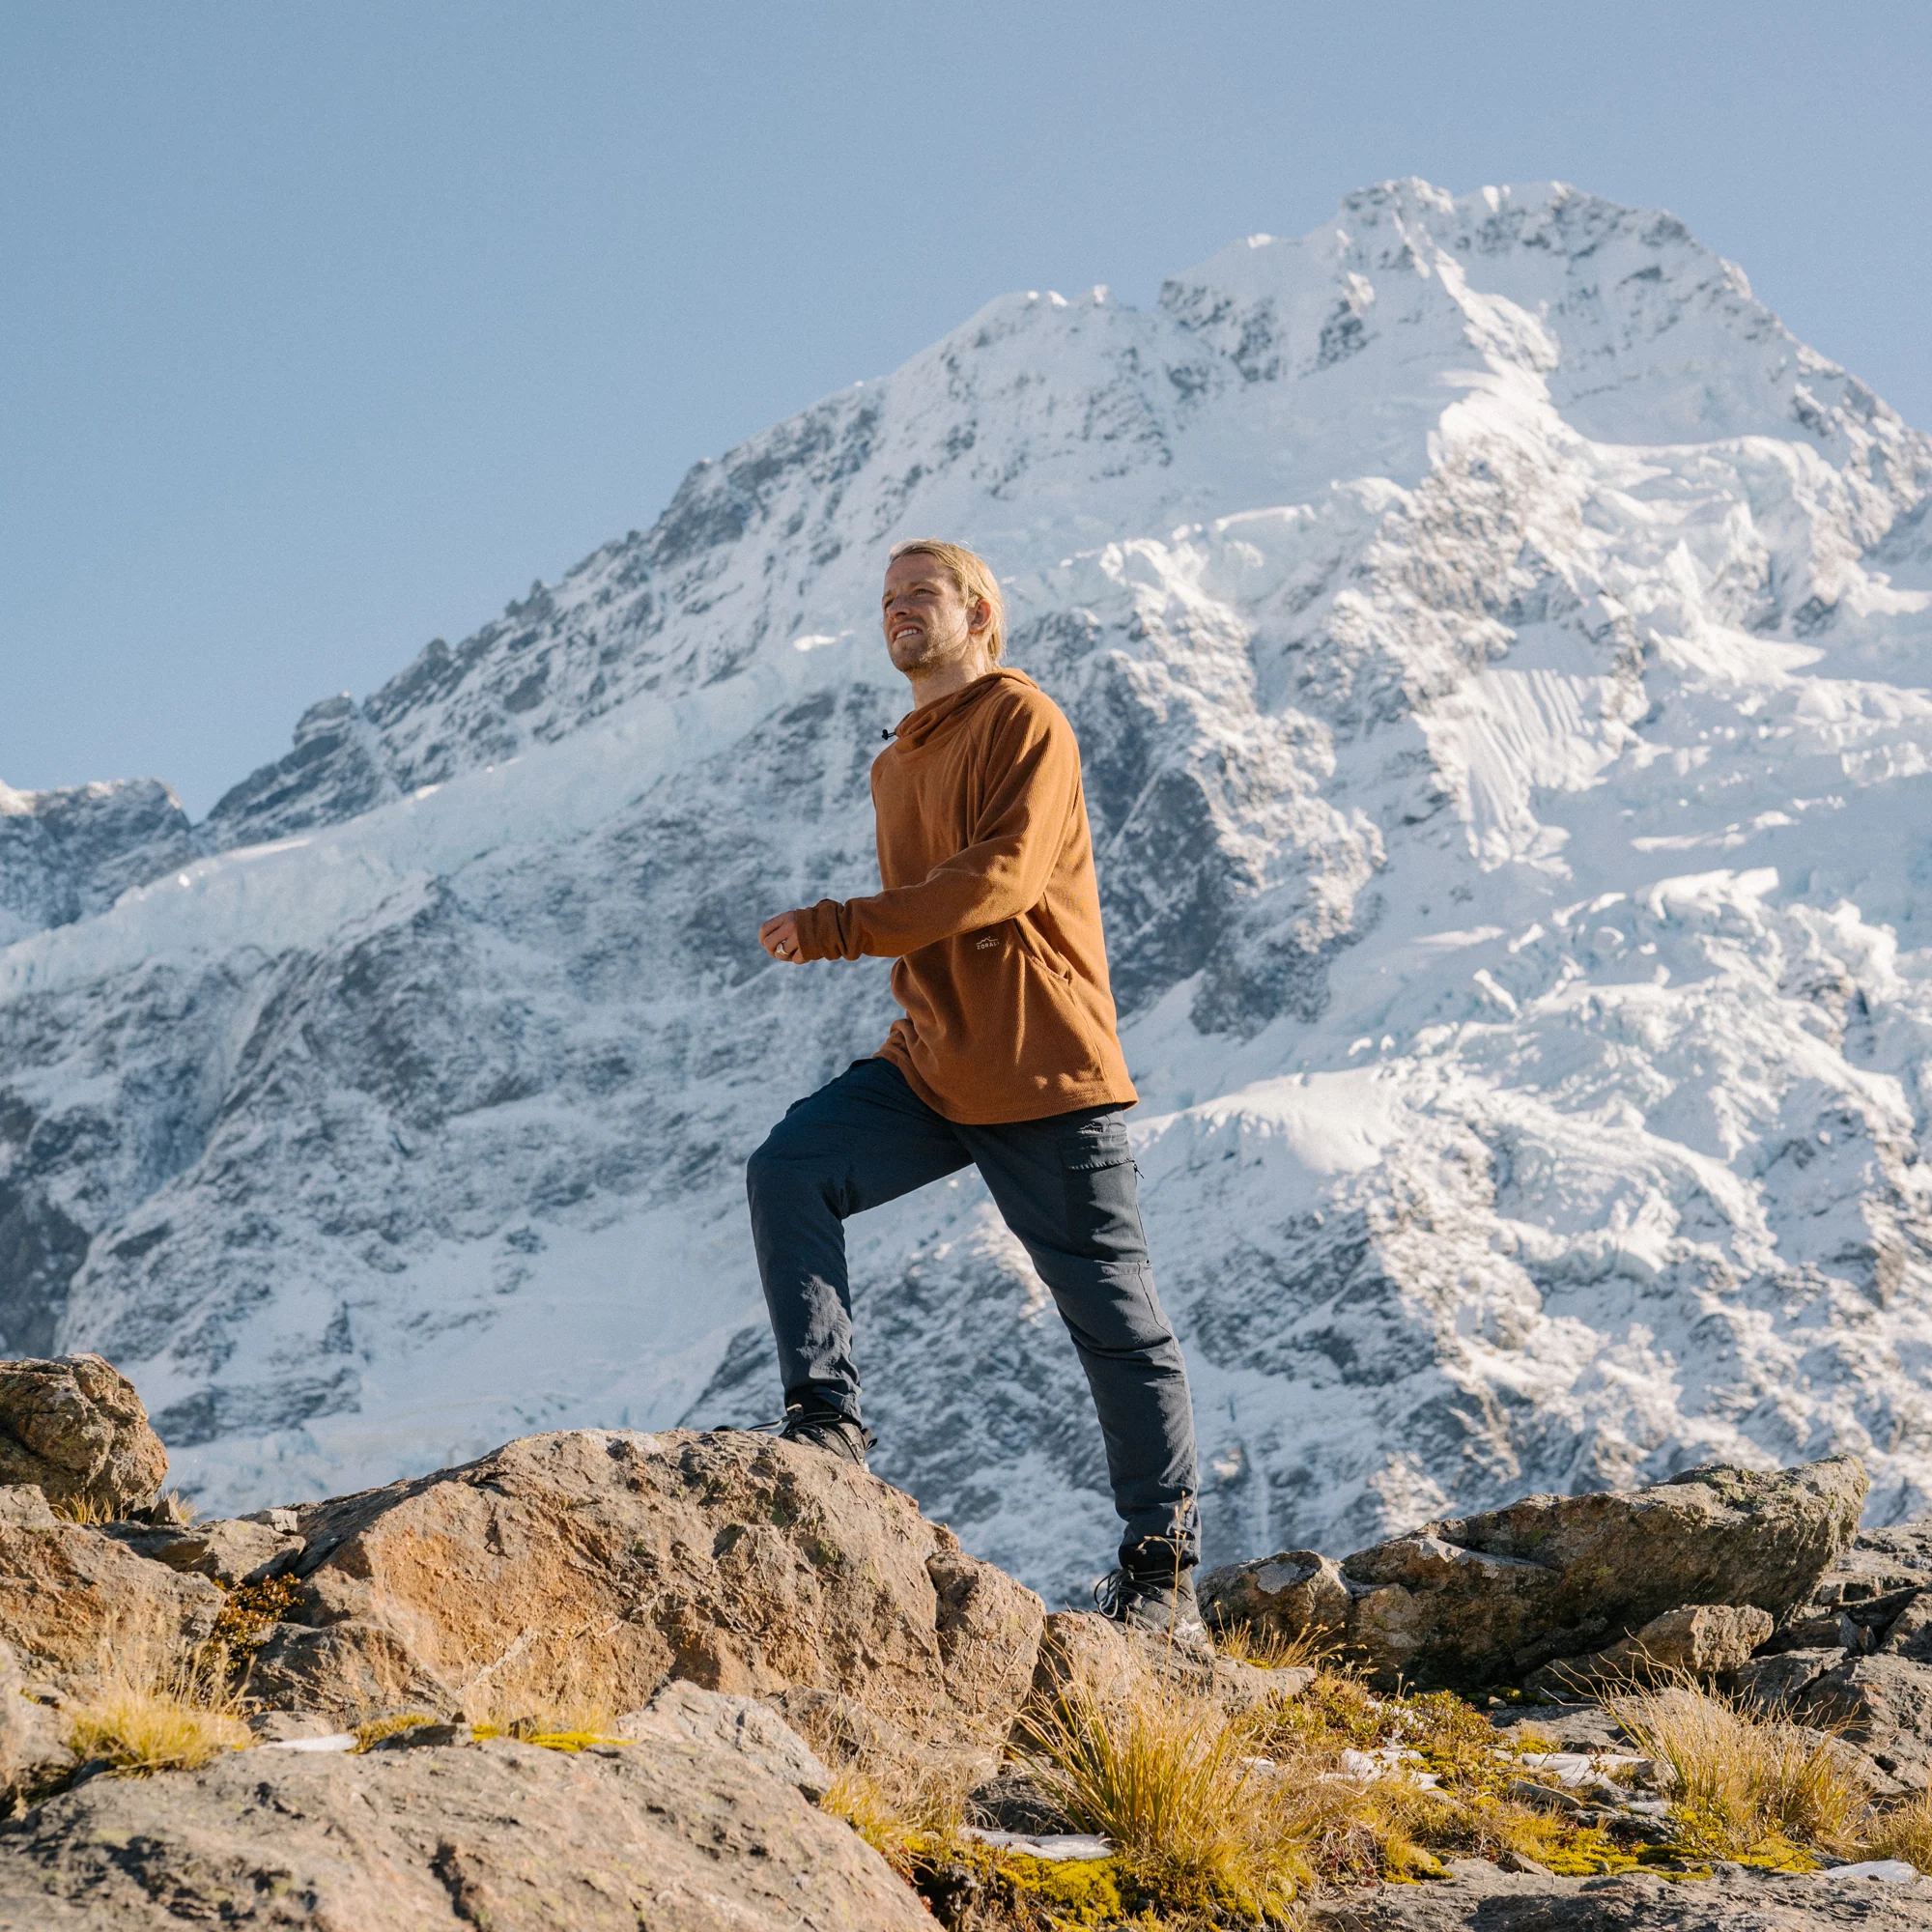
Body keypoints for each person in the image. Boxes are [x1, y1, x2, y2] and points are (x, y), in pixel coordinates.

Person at [746, 538, 1204, 1638]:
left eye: (922, 594)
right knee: (790, 1167)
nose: (899, 611)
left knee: (1115, 1323)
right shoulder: (896, 760)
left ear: (979, 611)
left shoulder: (1022, 719)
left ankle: (1162, 1578)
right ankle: (825, 1418)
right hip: (934, 1063)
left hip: (1041, 1065)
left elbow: (996, 881)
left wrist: (839, 925)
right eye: (888, 599)